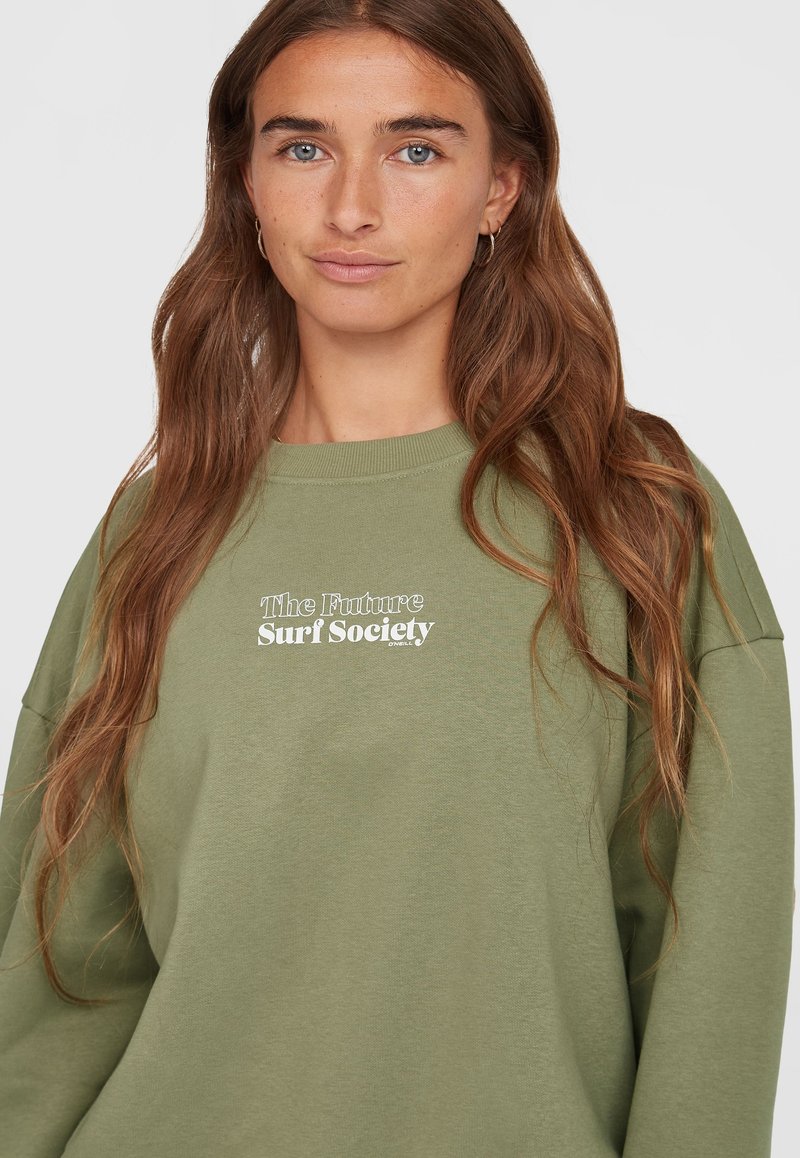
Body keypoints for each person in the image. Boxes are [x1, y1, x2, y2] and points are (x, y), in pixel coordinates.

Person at [0, 1, 793, 1155]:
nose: (351, 206)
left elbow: (712, 961)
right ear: (245, 183)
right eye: (302, 148)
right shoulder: (154, 533)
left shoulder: (633, 512)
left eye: (415, 149)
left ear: (501, 188)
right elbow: (54, 974)